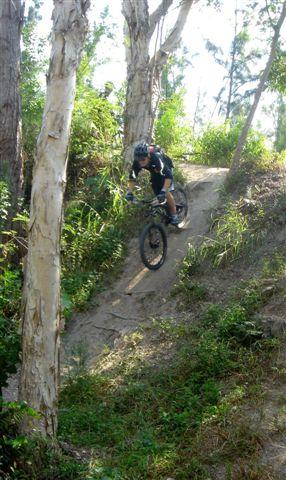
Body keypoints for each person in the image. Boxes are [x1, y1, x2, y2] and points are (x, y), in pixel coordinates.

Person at [125, 142, 179, 225]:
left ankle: (174, 215)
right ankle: (166, 208)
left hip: (166, 167)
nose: (141, 162)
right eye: (138, 159)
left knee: (165, 192)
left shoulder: (156, 159)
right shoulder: (137, 162)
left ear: (148, 156)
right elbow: (132, 178)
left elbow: (168, 176)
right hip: (155, 171)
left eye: (143, 159)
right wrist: (129, 192)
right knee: (155, 187)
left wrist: (163, 191)